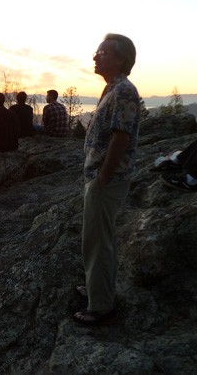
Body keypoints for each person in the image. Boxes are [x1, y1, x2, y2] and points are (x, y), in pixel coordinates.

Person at [73, 33, 141, 326]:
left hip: (107, 179)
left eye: (102, 51)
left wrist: (103, 175)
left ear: (121, 59)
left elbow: (121, 137)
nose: (95, 56)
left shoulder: (123, 90)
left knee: (98, 240)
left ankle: (100, 305)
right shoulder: (112, 89)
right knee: (97, 237)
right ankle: (97, 288)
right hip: (101, 176)